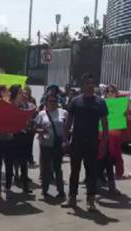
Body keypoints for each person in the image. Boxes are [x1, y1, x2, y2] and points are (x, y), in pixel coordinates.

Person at [63, 74, 109, 212]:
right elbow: (68, 122)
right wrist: (65, 140)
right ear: (83, 85)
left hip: (93, 143)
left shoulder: (100, 102)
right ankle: (72, 198)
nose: (90, 85)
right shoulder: (75, 101)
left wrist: (104, 144)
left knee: (91, 173)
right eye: (87, 83)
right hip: (77, 142)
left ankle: (90, 200)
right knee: (74, 172)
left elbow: (105, 124)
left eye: (92, 83)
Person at [35, 94, 67, 199]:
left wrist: (65, 140)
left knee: (58, 168)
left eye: (54, 101)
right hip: (45, 144)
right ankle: (44, 190)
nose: (52, 103)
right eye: (50, 101)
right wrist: (41, 130)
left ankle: (61, 191)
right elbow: (34, 127)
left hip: (58, 144)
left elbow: (68, 127)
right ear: (46, 102)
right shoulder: (41, 114)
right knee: (46, 168)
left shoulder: (63, 113)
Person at [10, 85, 35, 194]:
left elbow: (30, 120)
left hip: (24, 136)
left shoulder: (28, 106)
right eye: (21, 93)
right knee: (11, 161)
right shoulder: (12, 105)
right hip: (12, 136)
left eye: (25, 94)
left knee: (24, 162)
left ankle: (25, 186)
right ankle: (9, 185)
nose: (24, 95)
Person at [24, 85, 37, 167]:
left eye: (27, 91)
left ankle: (30, 158)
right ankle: (26, 158)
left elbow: (35, 110)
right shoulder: (20, 101)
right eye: (25, 92)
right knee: (24, 143)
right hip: (23, 125)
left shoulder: (32, 100)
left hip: (31, 124)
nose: (26, 93)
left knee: (30, 143)